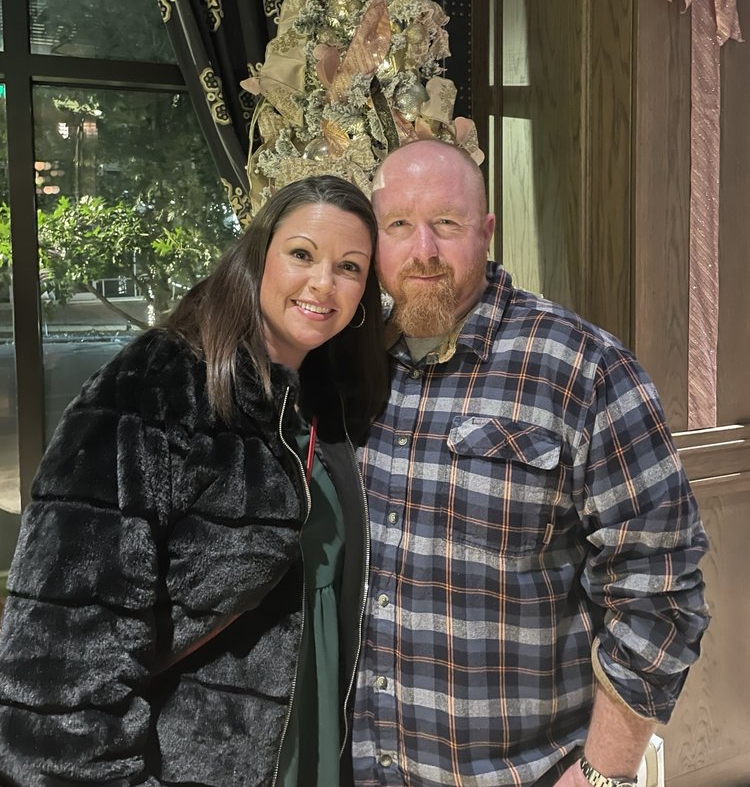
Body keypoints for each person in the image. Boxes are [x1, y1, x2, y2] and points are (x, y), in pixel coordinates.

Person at [0, 174, 388, 787]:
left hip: (314, 739)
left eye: (349, 267)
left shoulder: (327, 399)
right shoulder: (158, 383)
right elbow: (61, 640)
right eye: (302, 254)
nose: (323, 283)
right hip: (191, 756)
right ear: (257, 257)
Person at [351, 140, 709, 787]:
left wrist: (602, 775)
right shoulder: (350, 367)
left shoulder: (585, 369)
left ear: (486, 231)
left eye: (447, 223)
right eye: (399, 224)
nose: (423, 249)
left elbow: (661, 591)